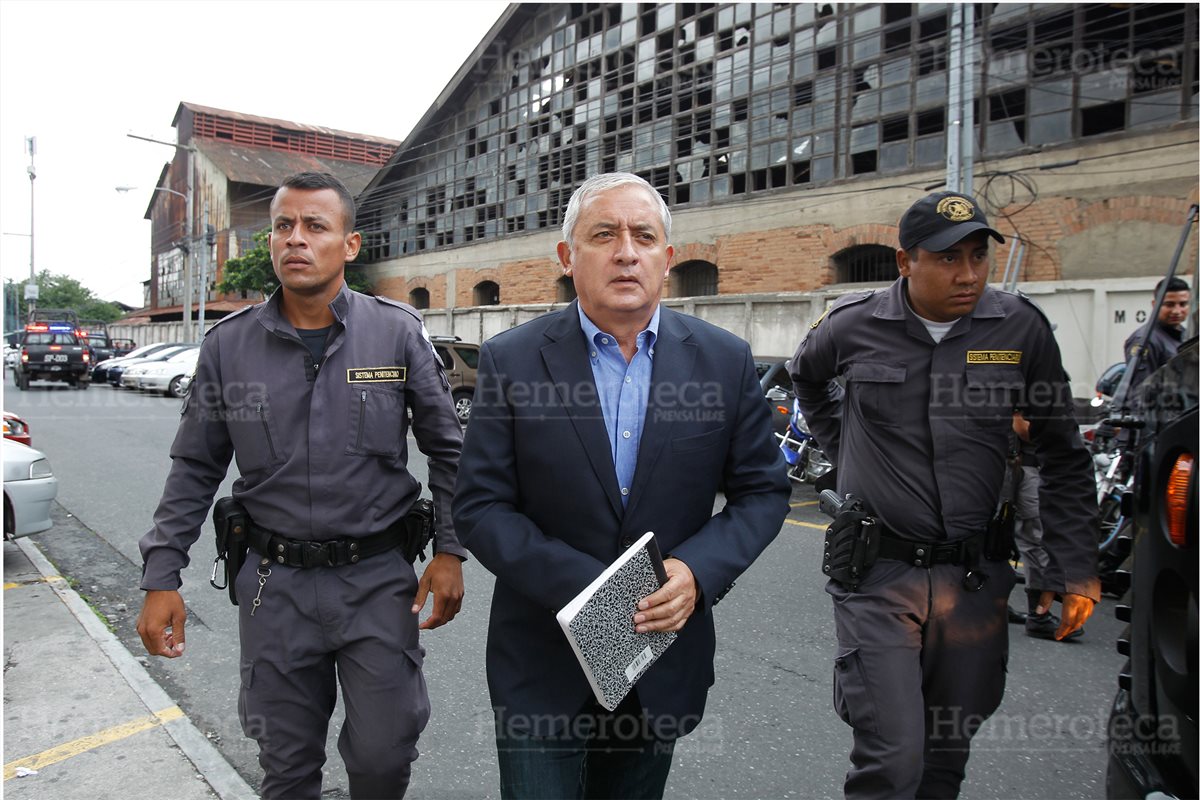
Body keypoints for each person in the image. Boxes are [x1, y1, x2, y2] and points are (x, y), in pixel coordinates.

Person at [452, 172, 790, 800]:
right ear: (567, 257)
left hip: (657, 656)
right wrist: (594, 593)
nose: (625, 251)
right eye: (603, 234)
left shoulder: (722, 361)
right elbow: (479, 505)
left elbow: (763, 493)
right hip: (544, 661)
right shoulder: (514, 361)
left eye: (643, 236)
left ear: (667, 258)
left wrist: (694, 570)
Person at [135, 171, 466, 800]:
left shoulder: (396, 333)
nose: (296, 239)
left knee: (383, 756)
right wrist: (160, 576)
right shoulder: (229, 348)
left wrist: (450, 551)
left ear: (350, 244)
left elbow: (449, 452)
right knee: (285, 767)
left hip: (375, 580)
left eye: (315, 226)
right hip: (273, 586)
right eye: (283, 226)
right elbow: (194, 469)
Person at [789, 191, 1099, 799]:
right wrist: (847, 451)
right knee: (892, 760)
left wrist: (1075, 567)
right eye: (948, 258)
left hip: (973, 581)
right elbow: (807, 378)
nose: (968, 275)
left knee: (943, 761)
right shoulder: (853, 325)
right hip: (878, 573)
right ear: (906, 261)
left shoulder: (1019, 328)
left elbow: (1062, 453)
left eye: (978, 256)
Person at [1009, 411, 1083, 641]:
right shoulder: (1026, 379)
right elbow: (1022, 426)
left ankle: (1034, 614)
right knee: (1030, 539)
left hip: (1018, 462)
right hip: (1018, 463)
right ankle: (1037, 615)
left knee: (1020, 537)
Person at [1124, 276, 1191, 394]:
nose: (1177, 311)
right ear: (1155, 305)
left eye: (1183, 304)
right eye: (1169, 305)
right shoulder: (1145, 340)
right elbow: (1140, 393)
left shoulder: (1185, 335)